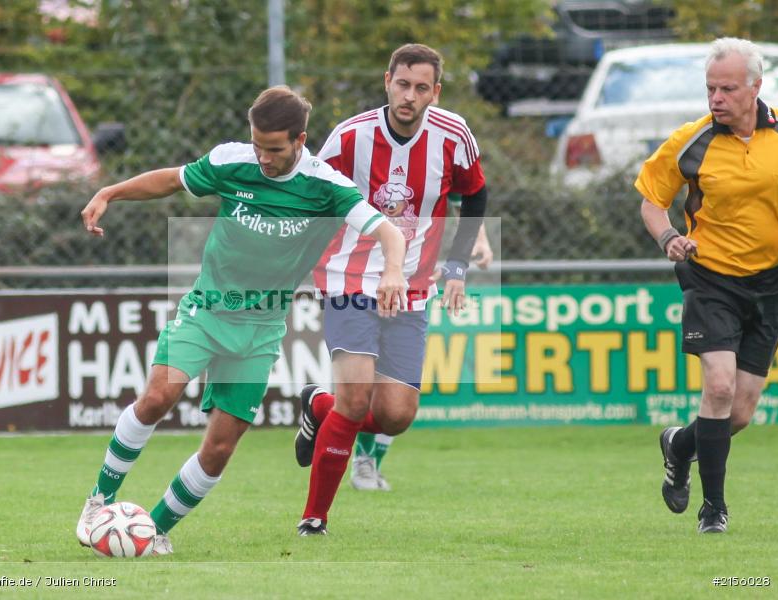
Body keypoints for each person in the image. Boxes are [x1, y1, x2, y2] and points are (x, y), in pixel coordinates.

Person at [74, 86, 409, 554]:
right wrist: (110, 192)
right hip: (207, 309)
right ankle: (99, 501)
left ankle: (154, 530)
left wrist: (393, 270)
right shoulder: (233, 161)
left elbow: (389, 232)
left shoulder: (326, 186)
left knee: (219, 448)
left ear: (300, 140)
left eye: (274, 149)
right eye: (257, 146)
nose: (263, 158)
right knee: (157, 397)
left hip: (260, 330)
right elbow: (172, 180)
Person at [294, 44, 487, 532]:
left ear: (435, 92)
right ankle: (314, 518)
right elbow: (312, 195)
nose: (409, 96)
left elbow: (475, 195)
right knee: (356, 400)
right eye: (402, 84)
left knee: (397, 415)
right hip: (348, 276)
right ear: (387, 82)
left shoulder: (454, 134)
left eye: (421, 88)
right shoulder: (350, 137)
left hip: (413, 286)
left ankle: (319, 405)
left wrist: (457, 266)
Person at [636, 37, 778, 534]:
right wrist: (668, 238)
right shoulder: (691, 140)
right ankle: (713, 509)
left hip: (772, 284)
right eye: (710, 88)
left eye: (727, 89)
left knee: (738, 413)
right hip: (711, 279)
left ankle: (679, 445)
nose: (716, 98)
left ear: (755, 87)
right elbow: (652, 202)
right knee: (718, 387)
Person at [350, 222, 493, 491]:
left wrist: (480, 237)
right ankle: (364, 459)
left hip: (413, 285)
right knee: (366, 377)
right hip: (361, 279)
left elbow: (466, 200)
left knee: (398, 395)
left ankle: (372, 461)